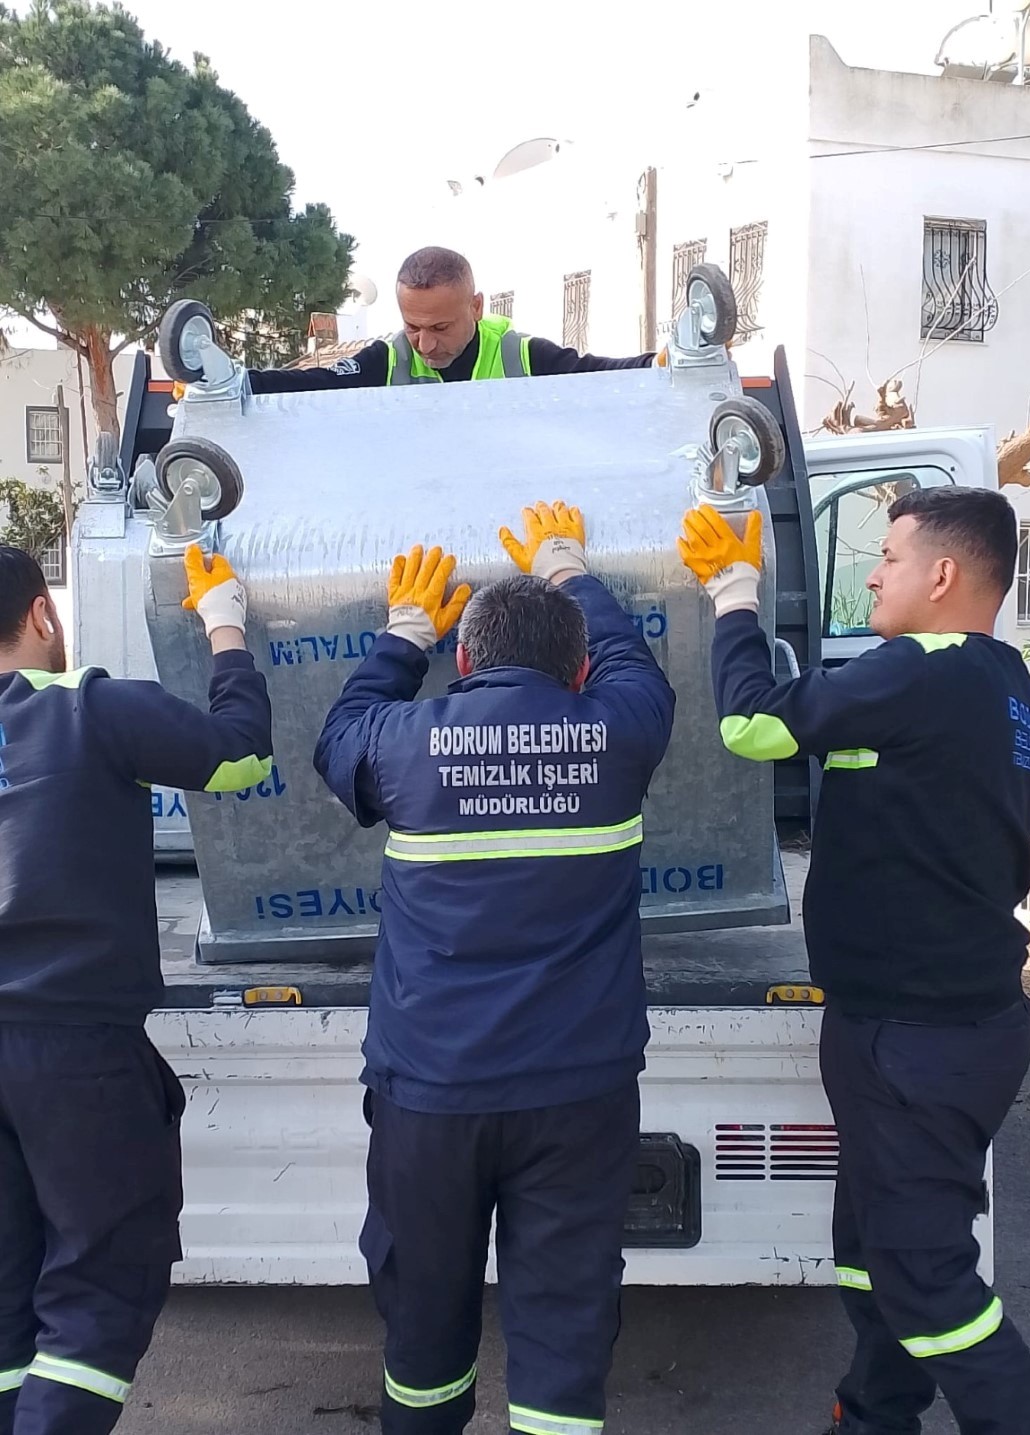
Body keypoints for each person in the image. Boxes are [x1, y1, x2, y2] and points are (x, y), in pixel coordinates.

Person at [677, 486, 1030, 1435]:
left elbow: (754, 727)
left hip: (919, 1036)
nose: (871, 573)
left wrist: (735, 590)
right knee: (867, 1245)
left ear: (941, 575)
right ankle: (874, 1414)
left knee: (925, 1274)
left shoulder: (920, 673)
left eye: (887, 557)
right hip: (926, 1022)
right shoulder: (1008, 688)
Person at [313, 502, 675, 1435]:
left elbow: (338, 732)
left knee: (425, 1321)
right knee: (564, 1323)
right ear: (579, 667)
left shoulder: (403, 742)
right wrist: (570, 568)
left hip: (432, 1093)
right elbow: (637, 667)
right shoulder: (622, 730)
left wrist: (402, 633)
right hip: (579, 1095)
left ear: (463, 661)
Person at [0, 544, 272, 1435]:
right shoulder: (90, 708)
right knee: (100, 1286)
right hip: (71, 1047)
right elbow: (237, 760)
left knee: (7, 1301)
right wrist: (224, 622)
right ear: (42, 615)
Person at [248, 246, 655, 393]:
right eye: (413, 327)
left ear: (476, 307)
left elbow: (596, 372)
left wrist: (657, 364)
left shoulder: (523, 355)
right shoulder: (387, 358)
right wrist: (233, 383)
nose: (424, 346)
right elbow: (310, 384)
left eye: (440, 328)